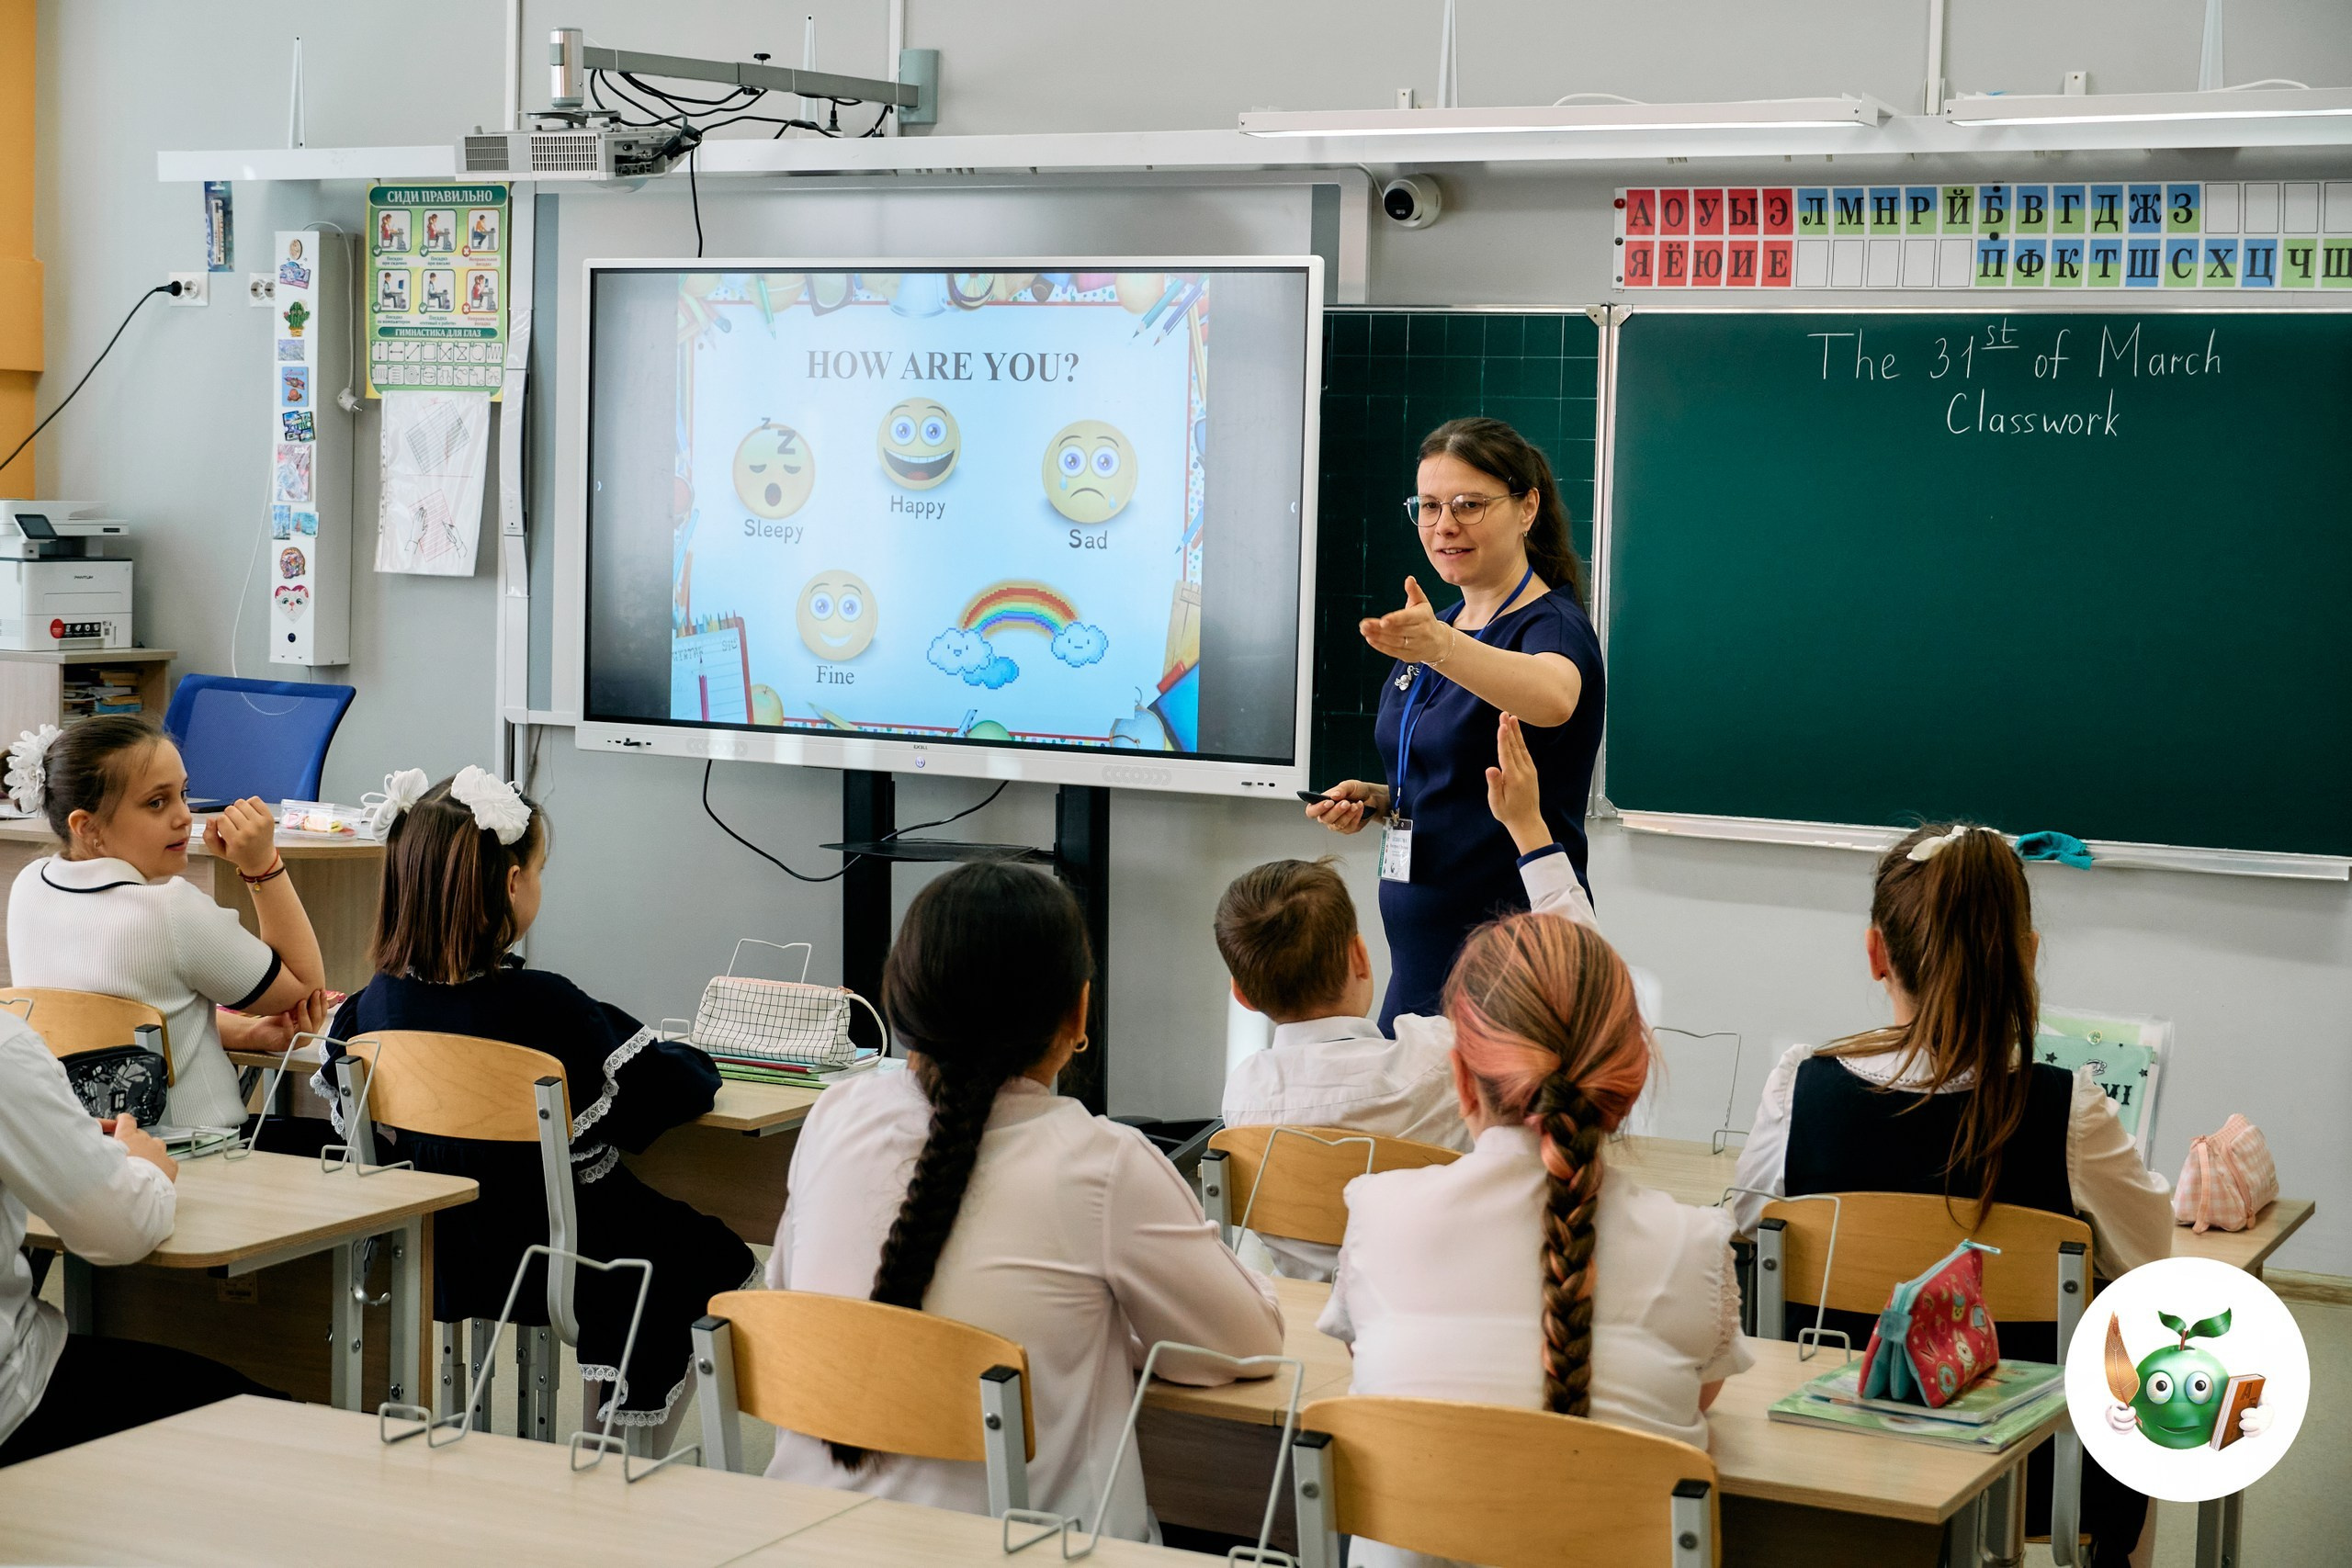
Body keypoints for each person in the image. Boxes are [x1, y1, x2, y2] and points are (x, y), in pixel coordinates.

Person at [764, 862, 1283, 1540]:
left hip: (806, 1543)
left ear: (901, 995)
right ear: (1079, 1010)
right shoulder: (1103, 1163)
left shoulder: (834, 1114)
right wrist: (1098, 1331)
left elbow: (790, 1298)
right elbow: (1245, 1348)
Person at [1728, 822, 2173, 1566]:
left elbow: (1748, 1225)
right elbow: (2149, 1254)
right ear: (2027, 956)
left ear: (1875, 952)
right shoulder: (2068, 1109)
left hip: (1824, 1442)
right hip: (2022, 1469)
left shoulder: (1799, 1086)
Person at [325, 768, 753, 1451]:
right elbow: (669, 1090)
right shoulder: (549, 1008)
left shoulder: (372, 1006)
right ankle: (609, 1450)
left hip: (440, 1252)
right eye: (540, 869)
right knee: (702, 1254)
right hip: (561, 1255)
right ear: (513, 883)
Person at [1318, 910, 1749, 1568]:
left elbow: (1374, 1371)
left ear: (1462, 1078)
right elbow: (1698, 1402)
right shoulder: (1696, 1248)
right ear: (1627, 1087)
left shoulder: (1379, 1213)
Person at [1218, 714, 1596, 1279]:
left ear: (1242, 996)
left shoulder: (1244, 1102)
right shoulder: (1433, 1062)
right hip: (1429, 1324)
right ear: (1361, 958)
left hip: (1307, 1344)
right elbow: (1579, 975)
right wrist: (1529, 828)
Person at [1306, 417, 1606, 1030]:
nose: (1444, 525)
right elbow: (1460, 772)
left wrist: (1440, 646)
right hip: (1418, 960)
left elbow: (1553, 697)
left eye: (1469, 505)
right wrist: (1383, 799)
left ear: (1527, 508)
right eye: (1430, 506)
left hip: (1507, 966)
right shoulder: (1442, 625)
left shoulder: (1548, 625)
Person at [5, 718, 331, 1141]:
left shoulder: (29, 886)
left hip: (86, 1150)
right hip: (197, 1150)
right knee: (365, 1146)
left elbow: (119, 1019)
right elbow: (306, 991)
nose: (183, 816)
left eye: (183, 794)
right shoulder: (170, 909)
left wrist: (244, 1033)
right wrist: (261, 865)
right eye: (156, 803)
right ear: (88, 828)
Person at [0, 1008, 279, 1466]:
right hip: (13, 1408)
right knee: (267, 1417)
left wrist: (59, 1140)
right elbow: (121, 1229)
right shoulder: (7, 1048)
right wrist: (145, 1166)